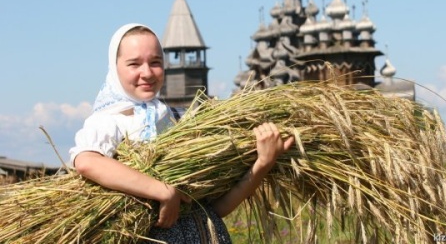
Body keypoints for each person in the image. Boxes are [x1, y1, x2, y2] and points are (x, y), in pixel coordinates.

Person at [69, 23, 294, 243]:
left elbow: (215, 208)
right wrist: (162, 190)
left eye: (155, 62)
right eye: (134, 64)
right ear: (114, 68)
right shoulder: (110, 120)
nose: (147, 72)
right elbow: (87, 161)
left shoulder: (182, 120)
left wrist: (263, 163)